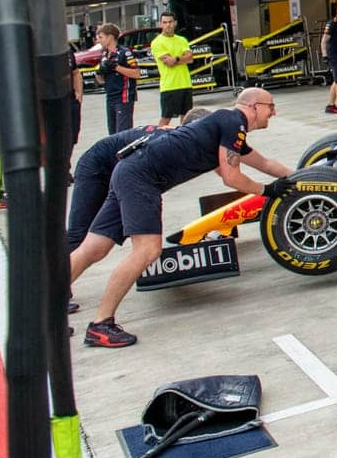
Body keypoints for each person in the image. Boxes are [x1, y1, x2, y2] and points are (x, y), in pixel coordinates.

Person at [68, 89, 295, 347]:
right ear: (254, 106)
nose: (274, 112)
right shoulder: (234, 121)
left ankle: (46, 314)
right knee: (147, 251)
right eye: (271, 106)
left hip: (130, 172)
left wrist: (303, 175)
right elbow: (231, 177)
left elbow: (264, 163)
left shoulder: (226, 128)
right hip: (141, 178)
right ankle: (101, 325)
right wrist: (267, 190)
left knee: (93, 248)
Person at [65, 106, 213, 279]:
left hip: (119, 173)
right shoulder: (171, 141)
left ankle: (58, 290)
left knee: (99, 242)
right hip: (97, 167)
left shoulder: (179, 138)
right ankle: (54, 291)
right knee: (79, 234)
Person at [94, 23, 142, 134]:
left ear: (110, 37)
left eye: (101, 37)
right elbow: (101, 80)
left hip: (123, 98)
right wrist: (99, 73)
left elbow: (136, 73)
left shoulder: (125, 53)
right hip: (110, 96)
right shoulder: (104, 54)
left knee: (123, 134)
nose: (98, 41)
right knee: (112, 134)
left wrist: (116, 67)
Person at [149, 11, 195, 126]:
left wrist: (176, 59)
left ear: (175, 23)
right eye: (165, 22)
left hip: (185, 84)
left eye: (170, 22)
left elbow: (190, 58)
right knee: (166, 119)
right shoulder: (157, 42)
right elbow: (169, 62)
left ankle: (184, 140)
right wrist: (182, 58)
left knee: (187, 118)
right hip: (170, 86)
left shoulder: (182, 40)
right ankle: (158, 141)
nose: (168, 25)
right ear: (160, 24)